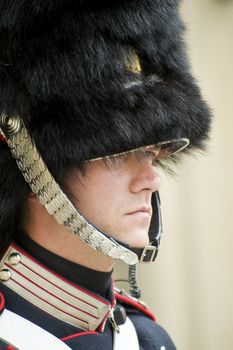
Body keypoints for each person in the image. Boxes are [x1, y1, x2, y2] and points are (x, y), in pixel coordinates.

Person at [0, 1, 211, 349]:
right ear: (33, 169)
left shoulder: (147, 339)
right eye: (119, 154)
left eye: (151, 153)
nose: (152, 179)